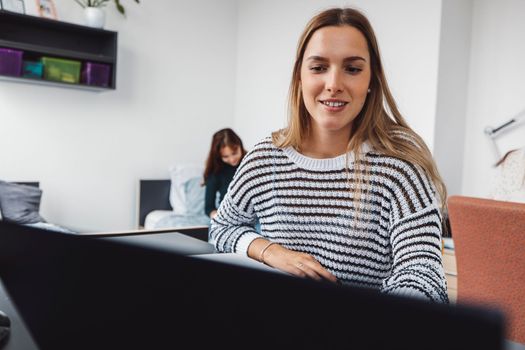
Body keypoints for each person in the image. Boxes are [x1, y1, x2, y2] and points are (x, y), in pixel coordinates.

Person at [210, 8, 449, 303]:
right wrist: (271, 252)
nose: (334, 84)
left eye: (352, 68)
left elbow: (423, 274)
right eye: (319, 67)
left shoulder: (401, 165)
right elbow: (222, 226)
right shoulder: (265, 157)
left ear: (371, 79)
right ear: (300, 75)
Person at [203, 128, 247, 219]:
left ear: (240, 146)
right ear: (218, 155)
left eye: (234, 153)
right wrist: (219, 217)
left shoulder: (250, 163)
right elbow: (209, 208)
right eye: (225, 156)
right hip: (226, 217)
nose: (232, 159)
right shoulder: (215, 172)